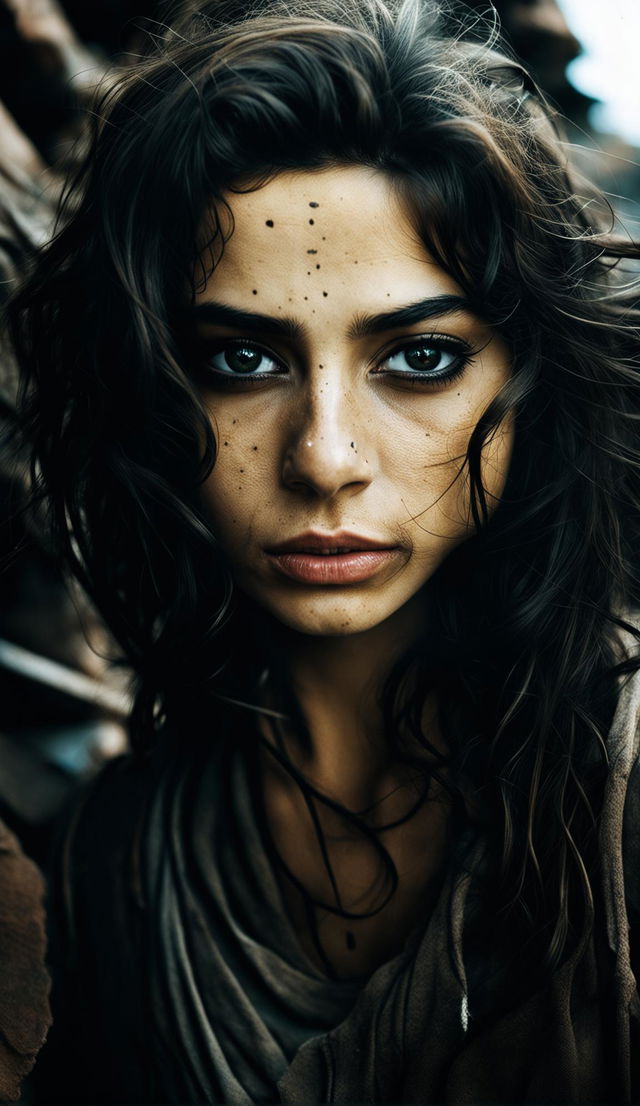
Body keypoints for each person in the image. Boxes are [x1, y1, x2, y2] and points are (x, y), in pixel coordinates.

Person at [7, 0, 640, 1101]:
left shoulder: (619, 794)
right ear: (149, 392)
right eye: (242, 360)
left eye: (422, 357)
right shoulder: (118, 864)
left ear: (532, 383)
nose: (325, 456)